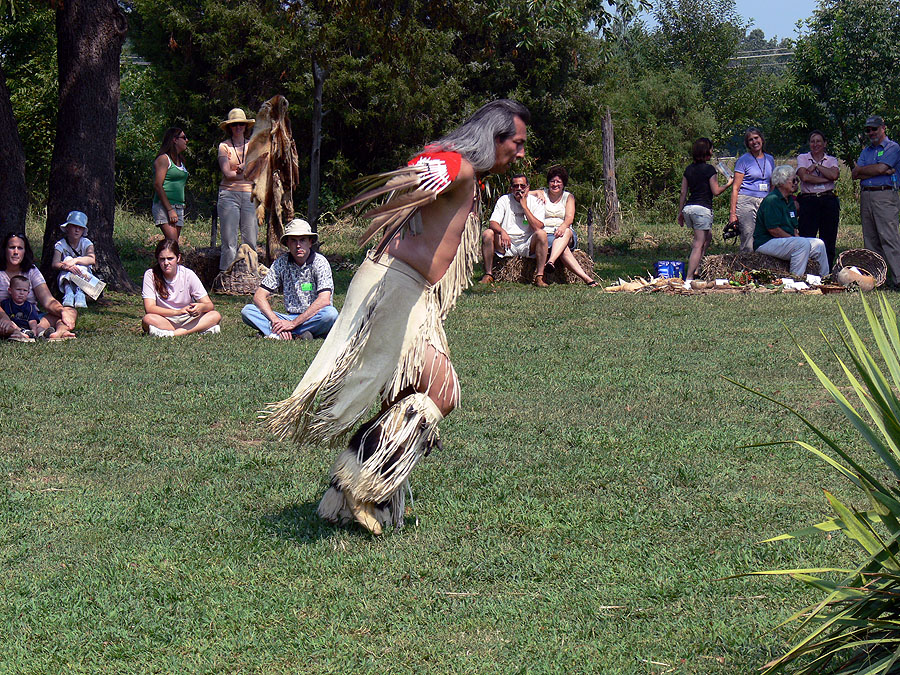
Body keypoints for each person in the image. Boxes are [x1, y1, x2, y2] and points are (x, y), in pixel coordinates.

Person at [264, 99, 530, 535]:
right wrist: (425, 173)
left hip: (409, 288)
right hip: (395, 284)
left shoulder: (470, 175)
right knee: (442, 392)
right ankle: (364, 479)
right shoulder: (460, 168)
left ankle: (347, 497)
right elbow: (429, 166)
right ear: (494, 137)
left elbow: (431, 165)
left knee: (406, 392)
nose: (520, 153)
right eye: (516, 143)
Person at [241, 218, 338, 340]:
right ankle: (298, 333)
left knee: (330, 314)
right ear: (287, 243)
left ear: (310, 242)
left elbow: (324, 300)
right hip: (289, 317)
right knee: (248, 311)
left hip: (314, 316)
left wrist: (292, 324)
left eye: (302, 240)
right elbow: (259, 296)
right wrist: (276, 321)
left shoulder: (320, 263)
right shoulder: (281, 262)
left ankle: (278, 333)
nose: (298, 245)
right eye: (293, 241)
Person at [753, 165, 830, 277]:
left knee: (819, 244)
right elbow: (773, 230)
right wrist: (795, 240)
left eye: (797, 180)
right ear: (782, 182)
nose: (796, 183)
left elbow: (794, 229)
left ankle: (824, 279)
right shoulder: (772, 200)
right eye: (793, 180)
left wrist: (796, 239)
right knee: (802, 244)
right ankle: (795, 279)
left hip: (784, 241)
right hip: (766, 242)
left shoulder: (790, 201)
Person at [851, 115, 900, 287]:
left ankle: (898, 279)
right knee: (870, 240)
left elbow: (880, 168)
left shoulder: (892, 147)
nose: (871, 132)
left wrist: (870, 170)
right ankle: (878, 280)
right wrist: (879, 170)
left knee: (889, 238)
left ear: (883, 128)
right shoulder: (866, 151)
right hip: (866, 196)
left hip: (884, 195)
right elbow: (855, 174)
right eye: (868, 130)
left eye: (874, 129)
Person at [0, 232, 76, 340]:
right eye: (12, 247)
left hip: (33, 320)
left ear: (25, 251)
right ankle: (20, 332)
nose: (16, 252)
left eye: (20, 248)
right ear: (5, 250)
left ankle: (58, 332)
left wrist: (62, 311)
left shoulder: (31, 270)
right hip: (6, 319)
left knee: (70, 311)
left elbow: (48, 300)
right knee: (4, 325)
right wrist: (4, 318)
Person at [677, 138, 733, 285]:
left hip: (689, 208)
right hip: (702, 210)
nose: (712, 152)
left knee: (707, 237)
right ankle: (689, 278)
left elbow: (683, 193)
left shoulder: (688, 169)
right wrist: (728, 184)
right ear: (706, 152)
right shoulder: (709, 170)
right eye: (711, 149)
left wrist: (680, 212)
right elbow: (716, 191)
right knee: (698, 243)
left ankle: (697, 268)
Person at [141, 239, 222, 337]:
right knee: (147, 319)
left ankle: (174, 333)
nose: (166, 263)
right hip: (165, 318)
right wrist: (177, 312)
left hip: (188, 317)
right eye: (162, 259)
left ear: (178, 258)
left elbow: (209, 305)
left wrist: (201, 307)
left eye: (170, 258)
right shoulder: (151, 275)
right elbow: (150, 308)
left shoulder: (188, 274)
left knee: (215, 315)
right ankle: (198, 329)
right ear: (157, 259)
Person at [479, 173, 549, 286]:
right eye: (516, 186)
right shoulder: (504, 200)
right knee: (487, 233)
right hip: (506, 243)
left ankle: (539, 276)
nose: (519, 189)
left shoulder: (536, 202)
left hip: (527, 243)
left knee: (542, 234)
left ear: (528, 187)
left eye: (522, 186)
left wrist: (524, 207)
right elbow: (492, 223)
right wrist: (502, 232)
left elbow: (538, 227)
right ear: (511, 188)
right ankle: (488, 274)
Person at [532, 165, 597, 286]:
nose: (555, 184)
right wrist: (536, 192)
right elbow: (523, 193)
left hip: (564, 232)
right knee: (563, 249)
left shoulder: (568, 197)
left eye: (558, 182)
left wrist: (562, 226)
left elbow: (569, 218)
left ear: (563, 183)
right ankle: (586, 278)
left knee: (566, 232)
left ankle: (551, 261)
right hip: (547, 234)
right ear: (548, 182)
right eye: (552, 181)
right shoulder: (542, 193)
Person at [217, 108, 258, 271]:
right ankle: (226, 275)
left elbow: (258, 171)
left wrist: (244, 168)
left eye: (241, 124)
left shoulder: (253, 145)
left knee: (250, 239)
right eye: (234, 125)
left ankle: (251, 273)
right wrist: (246, 171)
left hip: (249, 195)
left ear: (246, 126)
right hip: (228, 195)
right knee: (229, 241)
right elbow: (227, 174)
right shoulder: (224, 146)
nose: (238, 127)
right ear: (230, 127)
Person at [797, 130, 841, 267]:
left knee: (828, 238)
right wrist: (826, 179)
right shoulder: (802, 158)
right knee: (806, 237)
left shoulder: (831, 160)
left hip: (828, 200)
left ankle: (826, 270)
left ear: (825, 143)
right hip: (808, 201)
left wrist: (816, 166)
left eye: (818, 141)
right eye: (812, 141)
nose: (815, 144)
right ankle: (805, 268)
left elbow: (834, 175)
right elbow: (804, 177)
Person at [730, 127, 775, 252]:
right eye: (751, 140)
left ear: (762, 139)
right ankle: (745, 262)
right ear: (747, 143)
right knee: (748, 237)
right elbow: (735, 188)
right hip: (747, 201)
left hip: (765, 201)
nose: (754, 142)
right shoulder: (743, 160)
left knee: (766, 236)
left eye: (756, 138)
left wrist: (772, 202)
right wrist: (732, 214)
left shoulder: (770, 159)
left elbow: (772, 183)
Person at [51, 210, 95, 308]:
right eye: (74, 226)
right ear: (67, 228)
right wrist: (67, 267)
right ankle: (68, 292)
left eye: (80, 228)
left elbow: (92, 259)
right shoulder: (60, 244)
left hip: (84, 277)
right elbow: (55, 263)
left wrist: (75, 261)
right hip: (66, 275)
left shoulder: (86, 243)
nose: (77, 230)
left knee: (78, 263)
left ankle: (80, 293)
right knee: (67, 259)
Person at [152, 127, 189, 242]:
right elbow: (158, 185)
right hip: (165, 206)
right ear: (175, 140)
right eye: (184, 137)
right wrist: (169, 209)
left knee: (173, 244)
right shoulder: (164, 159)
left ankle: (164, 254)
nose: (187, 140)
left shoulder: (180, 161)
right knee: (173, 242)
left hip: (179, 206)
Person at [1, 275, 43, 342]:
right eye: (18, 289)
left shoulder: (30, 306)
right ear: (10, 290)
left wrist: (33, 330)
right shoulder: (5, 304)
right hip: (13, 328)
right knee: (10, 326)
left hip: (27, 328)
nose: (21, 293)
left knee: (39, 328)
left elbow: (32, 321)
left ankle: (43, 334)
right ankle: (22, 335)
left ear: (28, 293)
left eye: (25, 290)